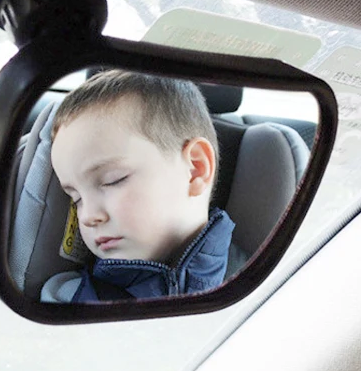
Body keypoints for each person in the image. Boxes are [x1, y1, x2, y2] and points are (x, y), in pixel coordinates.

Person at [40, 70, 240, 303]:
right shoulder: (70, 299)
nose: (87, 217)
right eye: (76, 199)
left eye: (112, 180)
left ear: (195, 169)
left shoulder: (263, 283)